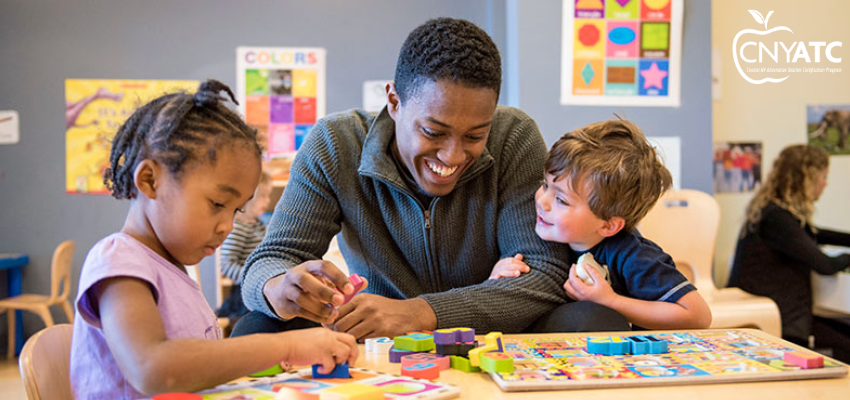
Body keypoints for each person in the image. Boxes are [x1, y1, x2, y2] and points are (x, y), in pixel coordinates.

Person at [235, 17, 631, 340]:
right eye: (433, 132)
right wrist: (279, 287)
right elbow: (269, 261)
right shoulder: (334, 144)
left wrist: (421, 313)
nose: (453, 156)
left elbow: (545, 275)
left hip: (492, 332)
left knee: (596, 323)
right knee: (257, 327)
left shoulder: (514, 136)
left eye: (476, 135)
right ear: (394, 102)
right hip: (376, 335)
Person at [69, 80, 357, 400]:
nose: (227, 226)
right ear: (150, 181)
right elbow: (154, 369)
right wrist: (286, 345)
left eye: (236, 211)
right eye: (218, 204)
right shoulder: (119, 261)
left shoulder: (172, 270)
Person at [490, 119, 712, 330]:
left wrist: (611, 301)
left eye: (561, 200)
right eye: (545, 184)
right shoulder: (540, 233)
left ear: (608, 226)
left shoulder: (634, 256)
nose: (542, 201)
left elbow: (698, 316)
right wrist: (496, 276)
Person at [729, 144, 850, 347]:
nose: (825, 183)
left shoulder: (773, 213)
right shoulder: (777, 219)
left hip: (783, 313)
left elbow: (815, 233)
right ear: (807, 179)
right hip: (779, 322)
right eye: (823, 177)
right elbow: (825, 265)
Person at [216, 170, 273, 333]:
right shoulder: (239, 228)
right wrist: (251, 277)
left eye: (268, 196)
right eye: (262, 196)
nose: (267, 201)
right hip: (243, 295)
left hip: (257, 287)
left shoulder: (257, 226)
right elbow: (226, 264)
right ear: (246, 199)